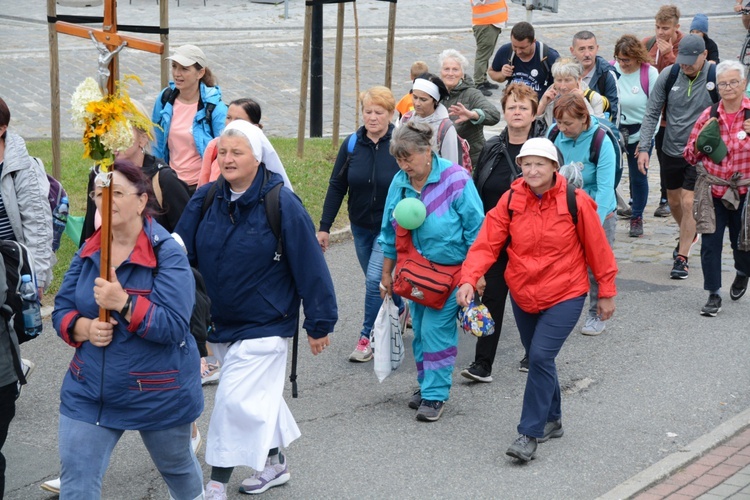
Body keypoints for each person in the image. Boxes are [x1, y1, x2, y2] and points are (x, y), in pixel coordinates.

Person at [175, 120, 337, 498]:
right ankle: (275, 464)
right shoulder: (206, 198)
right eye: (223, 152)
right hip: (220, 321)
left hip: (266, 323)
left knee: (233, 401)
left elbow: (311, 266)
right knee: (255, 398)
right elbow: (179, 249)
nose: (227, 159)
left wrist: (320, 322)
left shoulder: (282, 203)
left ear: (258, 158)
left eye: (237, 153)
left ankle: (215, 484)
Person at [457, 137, 617, 462]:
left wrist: (606, 293)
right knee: (539, 356)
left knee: (540, 357)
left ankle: (529, 432)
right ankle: (553, 419)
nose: (531, 170)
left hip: (566, 292)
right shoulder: (511, 199)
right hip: (523, 291)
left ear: (554, 167)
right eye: (526, 164)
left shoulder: (576, 201)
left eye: (539, 164)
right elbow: (487, 242)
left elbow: (598, 250)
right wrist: (469, 278)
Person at [51, 159, 204, 499]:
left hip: (158, 391)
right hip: (90, 391)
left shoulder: (168, 254)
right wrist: (83, 327)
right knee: (77, 484)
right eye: (99, 193)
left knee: (177, 467)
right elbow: (61, 309)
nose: (107, 200)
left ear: (141, 200)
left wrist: (124, 303)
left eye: (117, 192)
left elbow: (175, 327)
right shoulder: (90, 251)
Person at [378, 121, 484, 422]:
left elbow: (477, 230)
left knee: (437, 332)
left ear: (427, 151)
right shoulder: (399, 182)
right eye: (398, 158)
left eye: (408, 157)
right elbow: (388, 231)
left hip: (450, 275)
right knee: (422, 331)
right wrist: (386, 275)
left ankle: (435, 395)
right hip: (415, 275)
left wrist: (475, 276)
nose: (403, 164)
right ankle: (427, 386)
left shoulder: (456, 179)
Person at [459, 82, 547, 382]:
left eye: (524, 107)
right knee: (492, 298)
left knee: (529, 300)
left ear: (534, 113)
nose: (518, 112)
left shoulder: (544, 150)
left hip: (531, 241)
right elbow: (477, 190)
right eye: (512, 107)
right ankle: (483, 364)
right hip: (496, 237)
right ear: (505, 112)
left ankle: (534, 352)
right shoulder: (493, 147)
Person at [317, 86, 405, 363]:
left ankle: (367, 336)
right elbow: (336, 185)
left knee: (373, 282)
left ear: (391, 114)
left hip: (390, 228)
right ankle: (400, 307)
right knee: (381, 282)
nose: (372, 117)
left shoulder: (401, 144)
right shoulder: (353, 144)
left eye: (379, 112)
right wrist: (324, 226)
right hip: (360, 226)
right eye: (368, 111)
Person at [638, 35, 715, 280]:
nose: (685, 65)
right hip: (671, 148)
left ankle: (682, 258)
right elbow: (651, 113)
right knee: (673, 202)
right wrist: (643, 148)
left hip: (702, 152)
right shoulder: (669, 75)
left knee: (689, 201)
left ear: (704, 55)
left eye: (691, 61)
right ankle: (689, 233)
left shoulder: (715, 76)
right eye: (682, 60)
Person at [684, 61, 750, 316]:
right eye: (723, 83)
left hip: (744, 192)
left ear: (744, 83)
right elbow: (689, 155)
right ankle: (713, 293)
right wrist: (700, 145)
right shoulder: (709, 115)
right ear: (717, 87)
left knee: (742, 243)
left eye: (734, 82)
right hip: (714, 191)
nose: (729, 87)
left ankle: (743, 272)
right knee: (710, 243)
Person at [549, 93, 617, 336]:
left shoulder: (601, 141)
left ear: (584, 118)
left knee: (596, 266)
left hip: (597, 212)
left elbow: (606, 189)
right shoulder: (554, 135)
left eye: (568, 123)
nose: (562, 128)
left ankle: (596, 313)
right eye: (559, 122)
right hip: (563, 210)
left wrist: (594, 227)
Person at [81, 100, 191, 243]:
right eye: (109, 131)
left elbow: (186, 237)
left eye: (121, 131)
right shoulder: (100, 175)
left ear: (143, 139)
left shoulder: (164, 180)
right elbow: (89, 235)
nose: (114, 139)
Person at [152, 44, 228, 193]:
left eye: (184, 69)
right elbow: (156, 140)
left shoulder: (215, 108)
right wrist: (156, 175)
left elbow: (225, 150)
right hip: (170, 184)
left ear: (200, 73)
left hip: (202, 187)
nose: (177, 73)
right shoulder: (165, 98)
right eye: (174, 67)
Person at [0, 97, 53, 299]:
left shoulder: (22, 168)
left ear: (2, 129)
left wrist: (36, 277)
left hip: (13, 266)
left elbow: (38, 224)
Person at [613, 35, 659, 237]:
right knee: (612, 173)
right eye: (620, 59)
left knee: (638, 174)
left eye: (627, 60)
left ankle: (637, 217)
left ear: (637, 58)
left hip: (641, 131)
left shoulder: (649, 74)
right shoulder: (611, 70)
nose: (623, 64)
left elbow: (655, 109)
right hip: (616, 130)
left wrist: (645, 141)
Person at [644, 5, 685, 219]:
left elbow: (685, 72)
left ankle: (668, 199)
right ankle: (663, 197)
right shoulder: (649, 43)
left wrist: (669, 54)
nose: (661, 32)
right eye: (658, 27)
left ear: (676, 27)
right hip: (654, 114)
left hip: (676, 115)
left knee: (671, 158)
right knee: (657, 154)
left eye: (666, 28)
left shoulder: (684, 45)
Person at [197, 97, 292, 189]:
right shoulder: (214, 146)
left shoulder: (260, 153)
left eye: (239, 120)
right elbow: (203, 180)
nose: (231, 123)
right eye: (228, 118)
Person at [438, 49, 501, 166]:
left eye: (455, 69)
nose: (450, 73)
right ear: (441, 72)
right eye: (446, 69)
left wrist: (473, 115)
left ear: (462, 74)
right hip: (443, 161)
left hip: (470, 162)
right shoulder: (436, 94)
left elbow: (494, 115)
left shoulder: (472, 93)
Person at [488, 21, 560, 100]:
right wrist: (502, 74)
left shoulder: (549, 56)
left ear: (533, 42)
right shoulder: (505, 51)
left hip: (540, 109)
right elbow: (491, 72)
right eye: (514, 46)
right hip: (513, 107)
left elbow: (562, 84)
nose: (518, 51)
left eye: (522, 48)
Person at [401, 73, 461, 165]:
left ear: (435, 101)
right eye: (415, 97)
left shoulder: (445, 128)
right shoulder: (405, 119)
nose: (417, 103)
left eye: (423, 99)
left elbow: (451, 166)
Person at [537, 57, 606, 128]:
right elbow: (536, 127)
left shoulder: (594, 98)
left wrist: (582, 101)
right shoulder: (550, 96)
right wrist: (542, 105)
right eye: (559, 80)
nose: (562, 86)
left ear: (578, 79)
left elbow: (599, 127)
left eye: (567, 80)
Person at [569, 30, 620, 125]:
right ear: (572, 51)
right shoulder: (566, 73)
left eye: (591, 48)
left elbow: (614, 112)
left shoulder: (607, 74)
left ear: (597, 48)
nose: (587, 54)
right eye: (582, 49)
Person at [470, 0, 508, 96]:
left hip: (491, 23)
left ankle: (483, 80)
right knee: (482, 56)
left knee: (486, 55)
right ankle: (478, 83)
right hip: (485, 24)